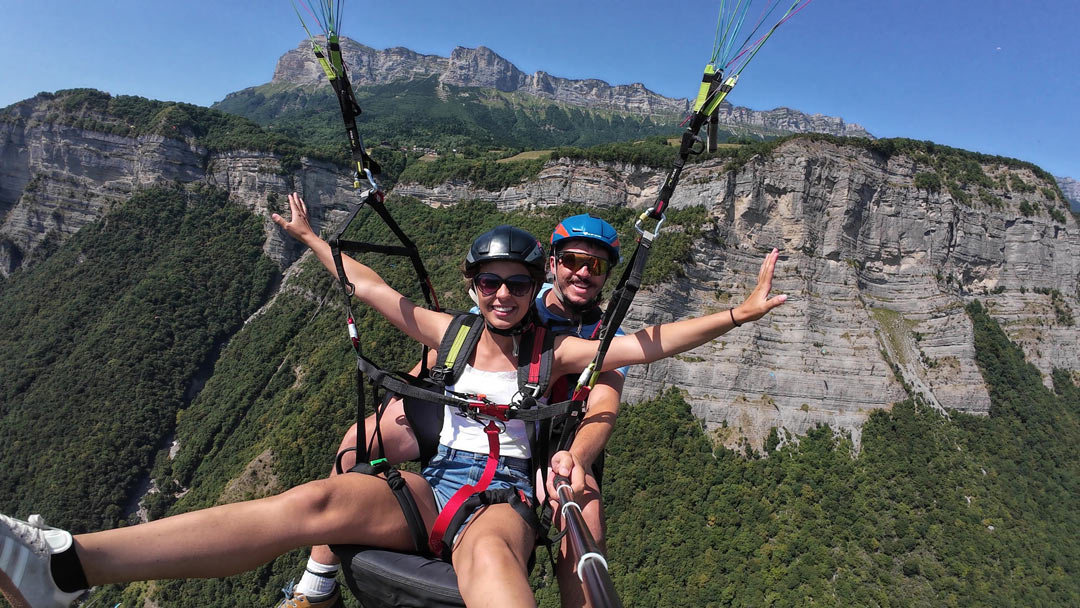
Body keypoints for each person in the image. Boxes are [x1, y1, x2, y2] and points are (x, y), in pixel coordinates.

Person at [0, 192, 786, 608]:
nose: (504, 295)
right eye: (491, 283)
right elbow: (370, 287)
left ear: (530, 287)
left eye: (515, 284)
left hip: (501, 499)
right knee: (313, 501)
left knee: (487, 562)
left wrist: (737, 315)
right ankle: (70, 567)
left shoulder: (559, 351)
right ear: (476, 288)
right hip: (431, 482)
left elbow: (644, 345)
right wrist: (312, 243)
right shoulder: (450, 332)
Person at [277, 214, 628, 608]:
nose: (583, 273)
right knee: (359, 439)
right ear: (553, 263)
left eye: (595, 266)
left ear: (607, 273)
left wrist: (576, 458)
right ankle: (317, 585)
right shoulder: (513, 291)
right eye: (572, 261)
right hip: (474, 420)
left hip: (554, 441)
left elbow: (603, 406)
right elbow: (453, 344)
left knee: (586, 516)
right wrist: (404, 393)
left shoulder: (606, 338)